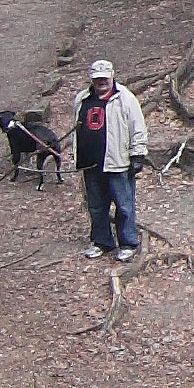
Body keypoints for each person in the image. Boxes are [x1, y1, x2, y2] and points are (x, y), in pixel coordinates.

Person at [75, 57, 146, 259]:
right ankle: (102, 241)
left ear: (112, 76)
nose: (101, 82)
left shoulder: (125, 98)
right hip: (90, 162)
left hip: (118, 162)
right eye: (97, 79)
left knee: (124, 205)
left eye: (104, 78)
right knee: (96, 206)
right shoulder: (82, 99)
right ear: (91, 79)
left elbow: (138, 128)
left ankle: (128, 243)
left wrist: (138, 154)